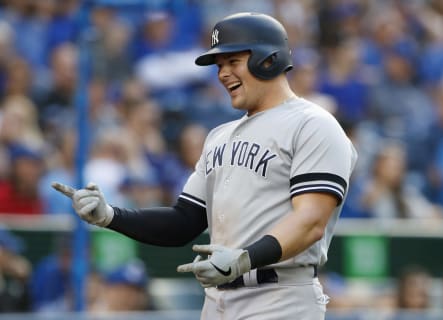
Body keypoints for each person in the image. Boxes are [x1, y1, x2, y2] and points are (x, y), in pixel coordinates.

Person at [52, 12, 357, 320]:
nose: (222, 74)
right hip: (217, 301)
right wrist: (111, 216)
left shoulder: (313, 124)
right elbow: (183, 221)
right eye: (219, 65)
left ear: (269, 60)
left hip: (281, 298)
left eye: (232, 62)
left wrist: (244, 260)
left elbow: (311, 222)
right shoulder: (219, 137)